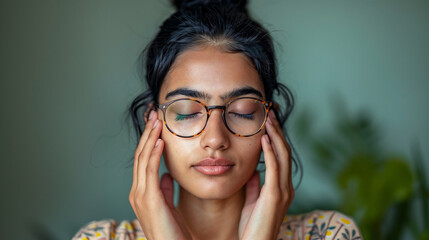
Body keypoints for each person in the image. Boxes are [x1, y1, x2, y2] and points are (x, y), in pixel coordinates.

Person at [73, 0, 363, 239]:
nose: (215, 139)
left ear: (268, 119)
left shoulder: (330, 234)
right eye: (186, 111)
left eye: (242, 112)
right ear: (153, 122)